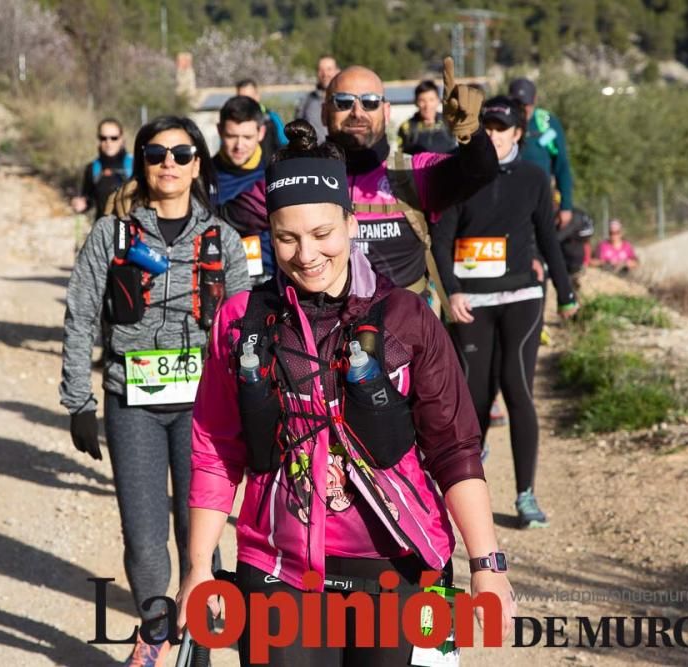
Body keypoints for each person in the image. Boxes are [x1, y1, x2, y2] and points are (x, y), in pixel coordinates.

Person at [176, 120, 516, 666]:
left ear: (351, 224)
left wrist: (487, 565)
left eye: (322, 234)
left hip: (395, 562)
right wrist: (196, 567)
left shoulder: (405, 317)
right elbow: (216, 447)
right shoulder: (242, 320)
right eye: (286, 237)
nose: (305, 254)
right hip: (277, 564)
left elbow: (454, 448)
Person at [60, 115, 251, 666]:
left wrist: (255, 408)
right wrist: (79, 400)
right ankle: (155, 630)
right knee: (144, 541)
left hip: (206, 411)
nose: (169, 162)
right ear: (141, 163)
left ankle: (198, 640)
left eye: (182, 153)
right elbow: (80, 316)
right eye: (157, 153)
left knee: (201, 538)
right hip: (132, 405)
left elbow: (242, 331)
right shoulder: (110, 234)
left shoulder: (223, 240)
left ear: (198, 164)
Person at [228, 59, 498, 317]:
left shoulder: (412, 172)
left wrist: (472, 134)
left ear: (387, 111)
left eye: (370, 102)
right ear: (324, 112)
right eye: (343, 102)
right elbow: (226, 218)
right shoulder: (296, 177)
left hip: (403, 334)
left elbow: (479, 171)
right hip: (319, 341)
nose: (357, 112)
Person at [430, 97, 579, 530]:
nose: (493, 134)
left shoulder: (534, 177)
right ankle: (467, 489)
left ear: (518, 134)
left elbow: (548, 237)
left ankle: (525, 495)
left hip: (521, 296)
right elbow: (441, 240)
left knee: (517, 388)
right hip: (470, 301)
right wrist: (451, 292)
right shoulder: (461, 176)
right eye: (487, 127)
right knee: (474, 398)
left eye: (501, 127)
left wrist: (566, 293)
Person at [508, 78, 575, 229]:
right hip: (508, 201)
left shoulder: (547, 123)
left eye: (526, 104)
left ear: (534, 100)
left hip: (541, 202)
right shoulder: (502, 123)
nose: (523, 108)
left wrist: (566, 205)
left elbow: (562, 166)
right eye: (518, 104)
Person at [213, 96, 269, 205]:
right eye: (231, 136)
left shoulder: (275, 177)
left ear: (261, 133)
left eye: (247, 137)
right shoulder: (200, 176)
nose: (239, 146)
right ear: (219, 131)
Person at [72, 118, 133, 217]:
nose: (108, 142)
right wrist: (81, 204)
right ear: (98, 139)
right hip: (103, 229)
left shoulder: (135, 164)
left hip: (131, 230)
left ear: (121, 139)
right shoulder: (92, 168)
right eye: (103, 138)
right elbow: (88, 200)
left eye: (114, 138)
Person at [396, 80, 457, 155]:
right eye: (422, 101)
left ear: (438, 101)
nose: (427, 106)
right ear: (416, 102)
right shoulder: (406, 127)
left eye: (431, 100)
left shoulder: (450, 122)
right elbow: (399, 159)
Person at [235, 78, 288, 156]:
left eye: (249, 98)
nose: (245, 102)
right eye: (241, 98)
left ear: (257, 96)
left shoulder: (272, 118)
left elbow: (284, 144)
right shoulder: (231, 121)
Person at [294, 55, 339, 143]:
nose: (325, 74)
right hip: (313, 154)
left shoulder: (347, 101)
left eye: (329, 69)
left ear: (337, 71)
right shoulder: (305, 101)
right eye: (321, 70)